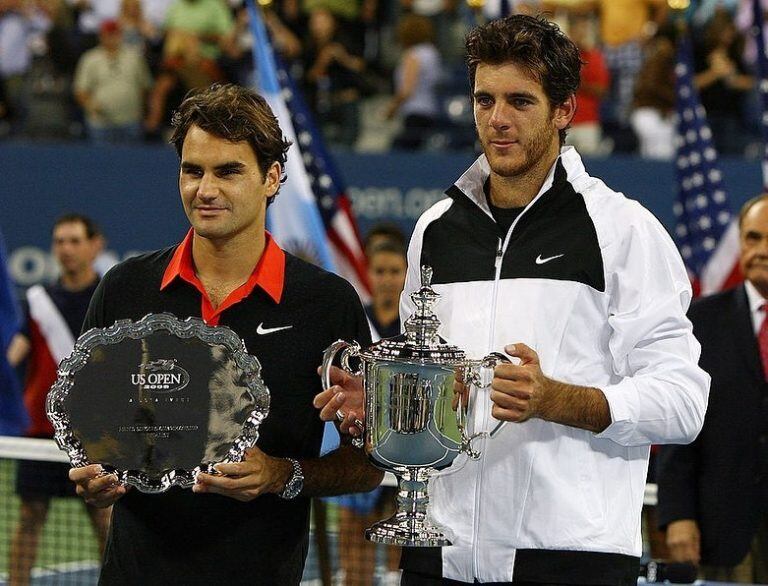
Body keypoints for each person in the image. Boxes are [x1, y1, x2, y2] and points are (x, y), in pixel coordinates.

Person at [315, 14, 709, 585]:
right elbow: (437, 396)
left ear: (564, 111)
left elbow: (683, 401)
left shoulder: (622, 229)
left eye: (520, 102)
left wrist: (558, 399)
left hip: (571, 556)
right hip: (438, 552)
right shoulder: (435, 229)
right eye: (484, 100)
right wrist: (382, 400)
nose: (497, 120)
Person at [67, 83, 382, 585]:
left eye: (228, 171)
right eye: (193, 171)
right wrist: (93, 474)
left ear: (272, 178)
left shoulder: (327, 303)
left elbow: (368, 464)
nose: (205, 189)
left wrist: (281, 475)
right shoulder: (124, 289)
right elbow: (92, 430)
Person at [656, 195, 768, 583]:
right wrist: (677, 514)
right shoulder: (700, 322)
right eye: (753, 238)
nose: (762, 251)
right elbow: (680, 427)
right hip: (721, 527)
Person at [7, 213, 111, 586]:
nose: (65, 249)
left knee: (103, 517)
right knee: (30, 515)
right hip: (40, 429)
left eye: (74, 241)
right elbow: (18, 349)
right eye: (59, 242)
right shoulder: (39, 301)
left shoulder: (110, 297)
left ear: (95, 245)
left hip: (94, 432)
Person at [334, 237, 407, 586]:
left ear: (407, 274)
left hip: (405, 450)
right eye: (381, 270)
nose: (388, 278)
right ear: (368, 274)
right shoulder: (355, 322)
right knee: (355, 549)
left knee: (400, 555)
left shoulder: (417, 327)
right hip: (361, 447)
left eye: (395, 271)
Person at [73, 18, 152, 143]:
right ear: (101, 36)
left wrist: (140, 109)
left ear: (120, 35)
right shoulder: (90, 59)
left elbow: (145, 87)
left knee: (132, 159)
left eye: (115, 34)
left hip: (130, 121)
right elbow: (80, 90)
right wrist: (90, 105)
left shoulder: (134, 57)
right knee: (100, 160)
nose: (111, 37)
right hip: (100, 123)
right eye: (108, 34)